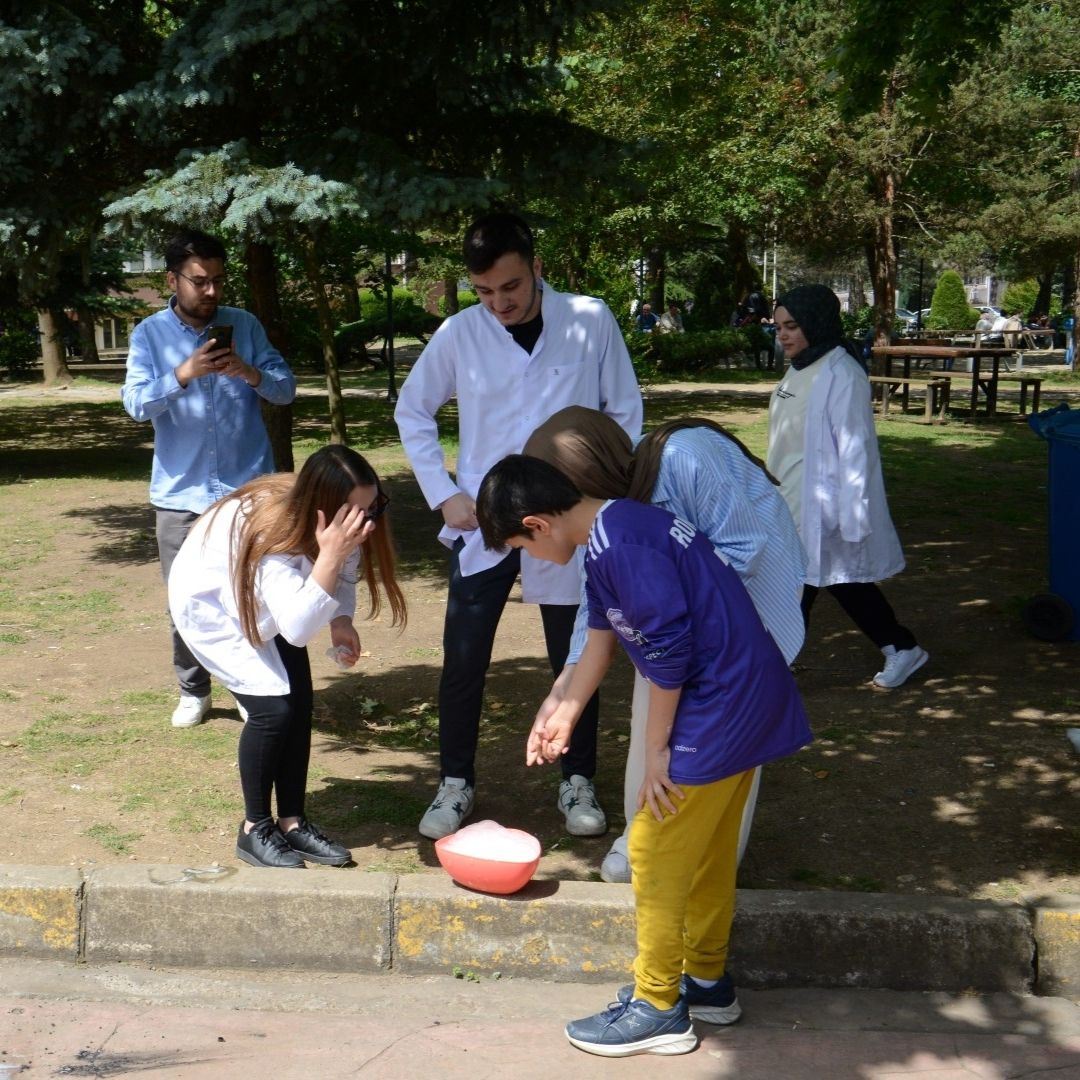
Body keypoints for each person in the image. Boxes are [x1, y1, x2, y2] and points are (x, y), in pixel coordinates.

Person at [475, 455, 811, 1058]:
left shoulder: (619, 547)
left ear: (536, 524)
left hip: (721, 705)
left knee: (652, 846)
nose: (525, 563)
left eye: (517, 547)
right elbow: (601, 639)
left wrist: (655, 752)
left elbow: (669, 656)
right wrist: (560, 716)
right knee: (706, 850)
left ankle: (658, 1005)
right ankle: (707, 983)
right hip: (746, 695)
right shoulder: (617, 528)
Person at [393, 211, 642, 841]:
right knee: (464, 657)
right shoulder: (459, 334)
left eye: (510, 287)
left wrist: (599, 500)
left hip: (566, 522)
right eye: (484, 292)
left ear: (536, 268)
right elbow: (412, 409)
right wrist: (444, 493)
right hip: (487, 520)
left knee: (576, 650)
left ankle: (577, 778)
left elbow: (625, 412)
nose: (499, 303)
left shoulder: (590, 321)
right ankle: (455, 781)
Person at [523, 407, 806, 883]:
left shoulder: (687, 455)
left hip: (751, 624)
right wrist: (561, 695)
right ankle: (646, 845)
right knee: (656, 742)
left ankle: (699, 866)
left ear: (585, 482)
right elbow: (597, 611)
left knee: (719, 755)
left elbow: (747, 548)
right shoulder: (606, 518)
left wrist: (660, 612)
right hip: (674, 631)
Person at [167, 445, 407, 868]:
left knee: (298, 705)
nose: (365, 522)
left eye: (372, 509)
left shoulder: (339, 520)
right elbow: (296, 628)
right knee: (273, 711)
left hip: (270, 604)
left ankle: (293, 823)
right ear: (323, 505)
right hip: (215, 607)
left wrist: (341, 619)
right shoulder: (272, 535)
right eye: (356, 512)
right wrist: (329, 555)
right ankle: (254, 829)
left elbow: (344, 572)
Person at [122, 229, 296, 729]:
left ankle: (248, 685)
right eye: (200, 281)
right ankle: (192, 689)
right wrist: (184, 374)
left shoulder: (244, 325)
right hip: (181, 493)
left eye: (219, 280)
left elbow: (285, 390)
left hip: (247, 492)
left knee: (252, 593)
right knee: (184, 599)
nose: (212, 292)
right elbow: (135, 404)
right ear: (172, 280)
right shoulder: (149, 335)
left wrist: (248, 372)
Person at [767, 285, 928, 689]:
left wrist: (853, 518)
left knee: (799, 585)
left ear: (816, 324)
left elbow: (855, 451)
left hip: (824, 506)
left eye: (792, 326)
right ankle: (901, 647)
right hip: (791, 498)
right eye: (779, 327)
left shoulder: (841, 374)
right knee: (843, 584)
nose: (783, 335)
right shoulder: (800, 366)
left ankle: (768, 671)